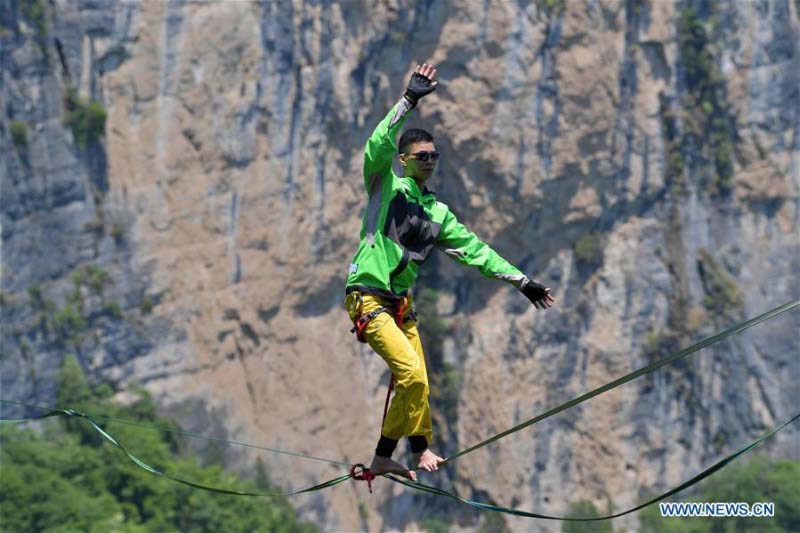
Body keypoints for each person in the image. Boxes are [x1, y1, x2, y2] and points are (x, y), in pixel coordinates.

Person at [344, 63, 555, 482]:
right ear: (404, 160)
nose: (430, 162)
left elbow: (477, 252)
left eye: (434, 157)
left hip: (400, 306)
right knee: (412, 374)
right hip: (367, 295)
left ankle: (420, 450)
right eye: (422, 157)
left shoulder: (438, 213)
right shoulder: (384, 185)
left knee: (419, 379)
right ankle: (384, 456)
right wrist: (409, 101)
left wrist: (522, 282)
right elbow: (376, 146)